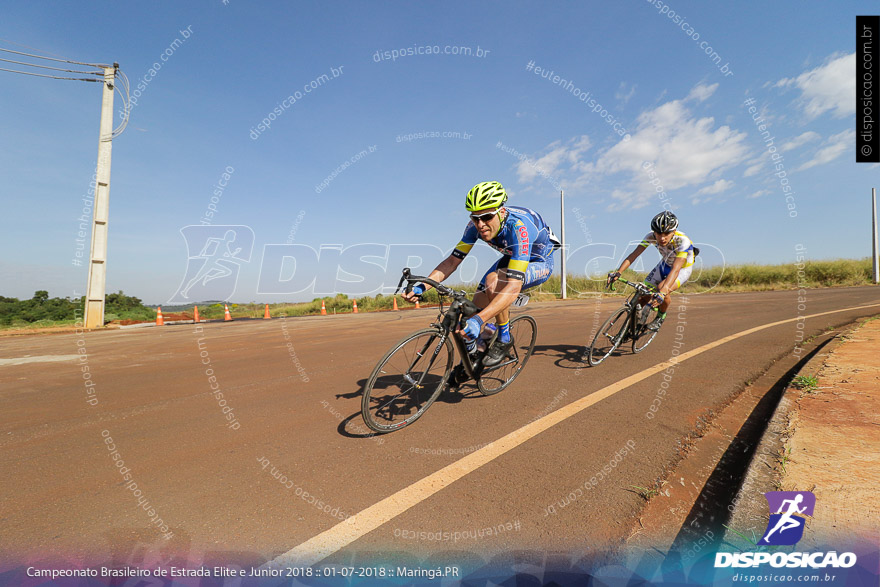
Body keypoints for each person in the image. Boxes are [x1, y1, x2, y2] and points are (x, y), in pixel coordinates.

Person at [402, 181, 559, 382]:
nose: (481, 224)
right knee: (471, 312)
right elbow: (452, 261)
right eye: (475, 218)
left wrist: (480, 320)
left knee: (494, 284)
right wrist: (423, 285)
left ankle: (504, 337)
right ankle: (474, 358)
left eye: (487, 217)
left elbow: (513, 286)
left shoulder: (519, 228)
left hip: (538, 261)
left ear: (502, 212)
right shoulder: (474, 227)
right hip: (511, 258)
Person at [606, 211, 695, 332]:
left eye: (667, 234)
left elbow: (676, 269)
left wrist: (662, 292)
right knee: (641, 296)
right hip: (664, 264)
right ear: (654, 232)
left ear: (674, 232)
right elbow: (634, 254)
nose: (662, 238)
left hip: (682, 269)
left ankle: (660, 317)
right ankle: (631, 328)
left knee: (662, 288)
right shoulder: (650, 236)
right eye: (658, 233)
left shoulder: (683, 241)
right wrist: (618, 272)